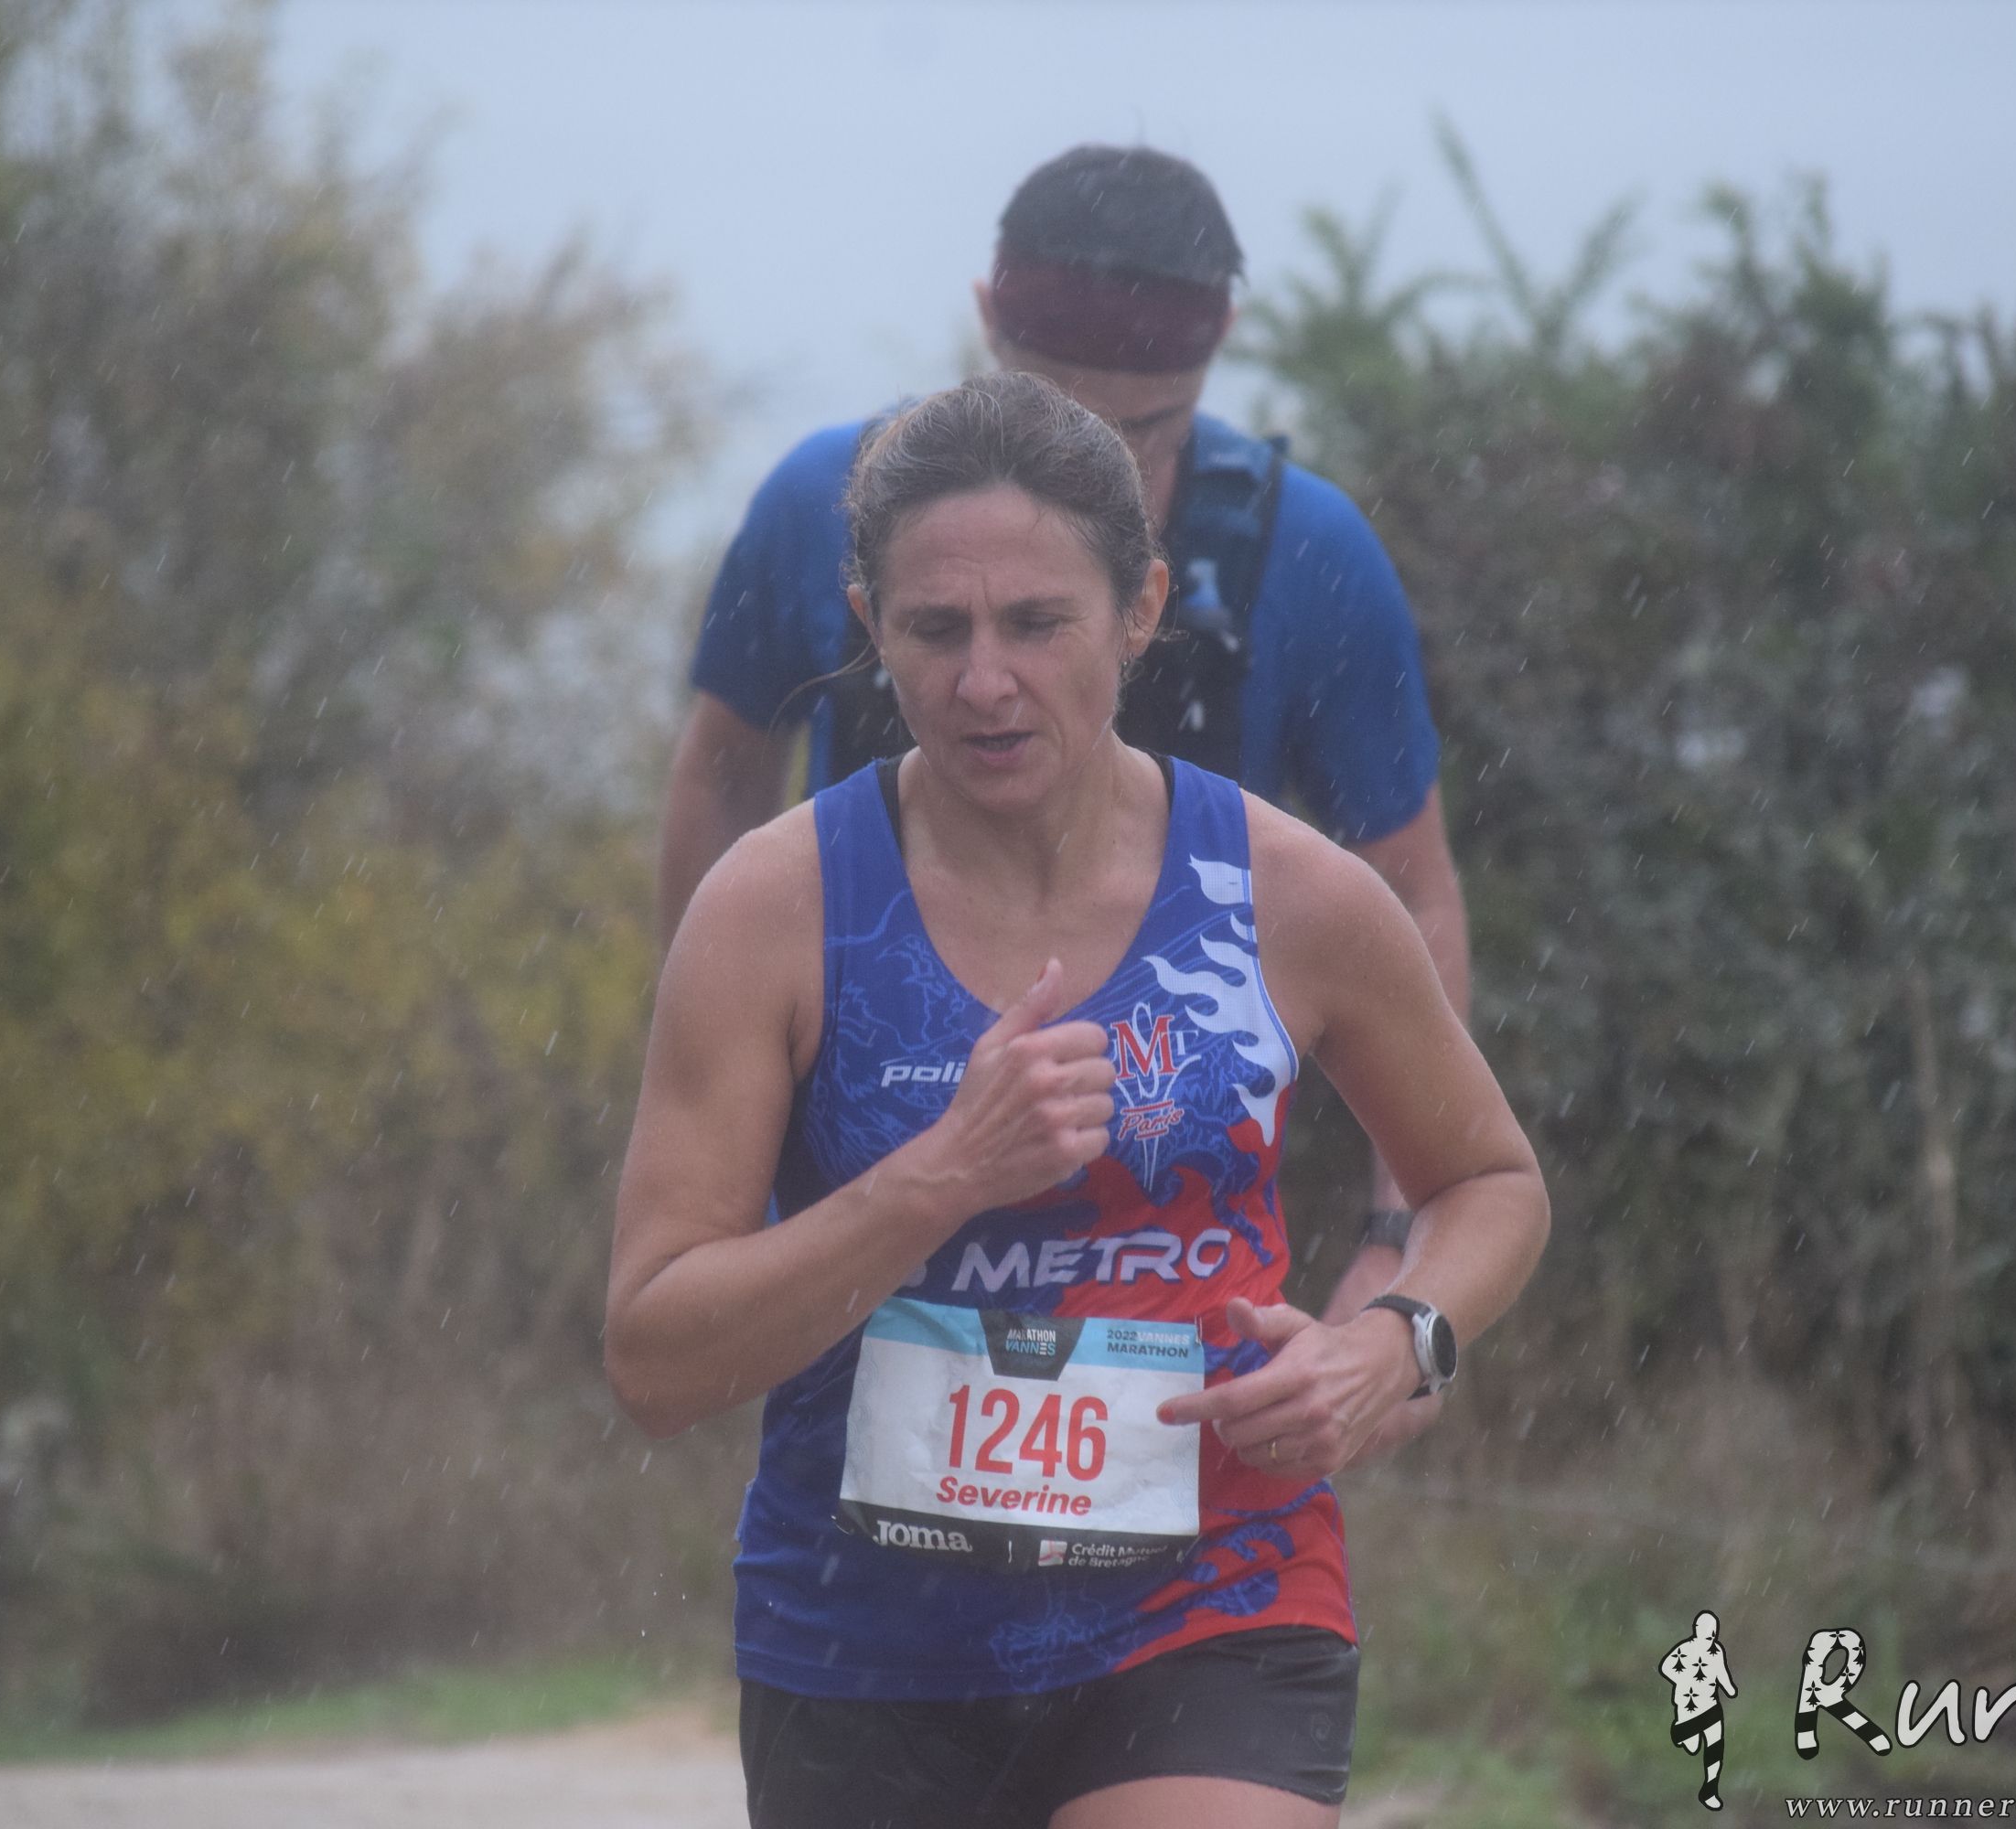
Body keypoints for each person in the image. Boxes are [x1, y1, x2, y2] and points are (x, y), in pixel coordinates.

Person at [609, 374, 1549, 1828]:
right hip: (861, 1643)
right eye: (937, 630)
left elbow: (1489, 1182)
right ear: (869, 626)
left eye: (1037, 624)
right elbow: (656, 1357)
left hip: (1214, 1601)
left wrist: (1397, 1343)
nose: (985, 682)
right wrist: (939, 1177)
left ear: (1140, 609)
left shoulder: (1288, 894)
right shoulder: (775, 910)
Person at [659, 144, 1474, 1340]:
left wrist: (1395, 1250)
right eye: (939, 627)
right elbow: (724, 775)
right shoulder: (825, 506)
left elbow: (1410, 886)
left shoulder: (1311, 553)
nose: (1100, 471)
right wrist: (717, 1078)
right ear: (987, 320)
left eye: (1144, 431)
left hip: (1185, 1170)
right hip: (868, 1177)